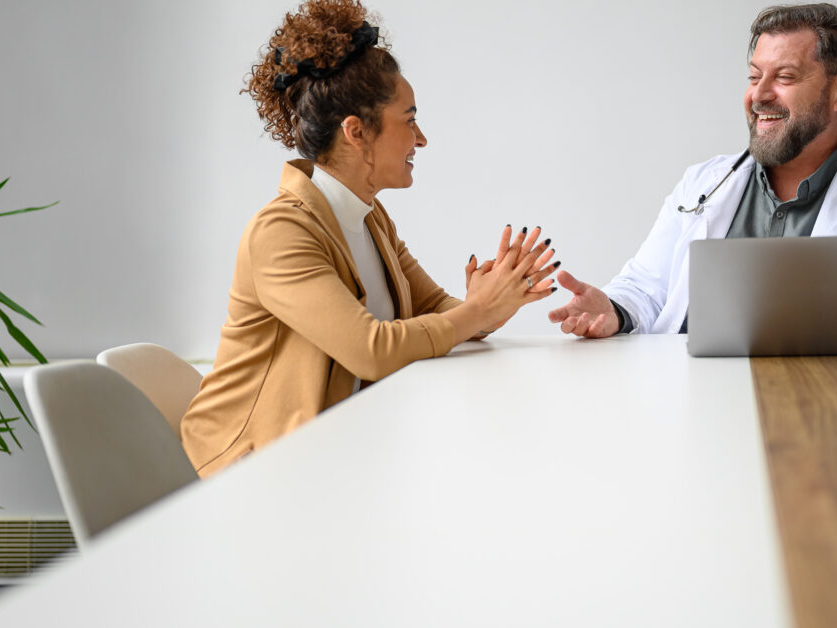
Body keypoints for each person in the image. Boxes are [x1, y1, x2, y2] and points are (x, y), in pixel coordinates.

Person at [182, 0, 557, 477]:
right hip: (248, 472)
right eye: (409, 119)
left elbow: (439, 311)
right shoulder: (280, 232)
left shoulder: (371, 219)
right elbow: (372, 350)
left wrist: (491, 301)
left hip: (340, 454)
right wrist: (474, 314)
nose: (420, 139)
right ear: (356, 132)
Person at [548, 3, 837, 338]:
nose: (760, 94)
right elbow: (646, 288)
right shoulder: (704, 184)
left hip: (835, 413)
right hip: (696, 406)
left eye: (784, 77)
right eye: (754, 76)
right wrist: (612, 309)